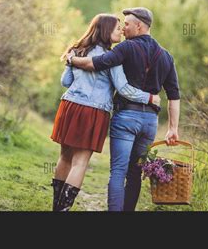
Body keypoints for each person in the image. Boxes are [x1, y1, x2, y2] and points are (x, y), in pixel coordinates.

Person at [68, 7, 180, 211]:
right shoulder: (166, 56)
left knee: (118, 172)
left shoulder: (126, 48)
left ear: (139, 26)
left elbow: (95, 63)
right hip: (150, 123)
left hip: (126, 118)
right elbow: (174, 96)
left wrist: (71, 59)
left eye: (127, 24)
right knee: (135, 172)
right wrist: (173, 128)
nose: (124, 28)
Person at [51, 13, 160, 211]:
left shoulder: (77, 50)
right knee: (80, 162)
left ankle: (56, 209)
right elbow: (123, 87)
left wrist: (72, 61)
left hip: (69, 106)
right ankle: (64, 209)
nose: (121, 31)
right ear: (105, 30)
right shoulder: (112, 59)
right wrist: (149, 97)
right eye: (117, 27)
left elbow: (65, 82)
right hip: (93, 112)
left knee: (65, 158)